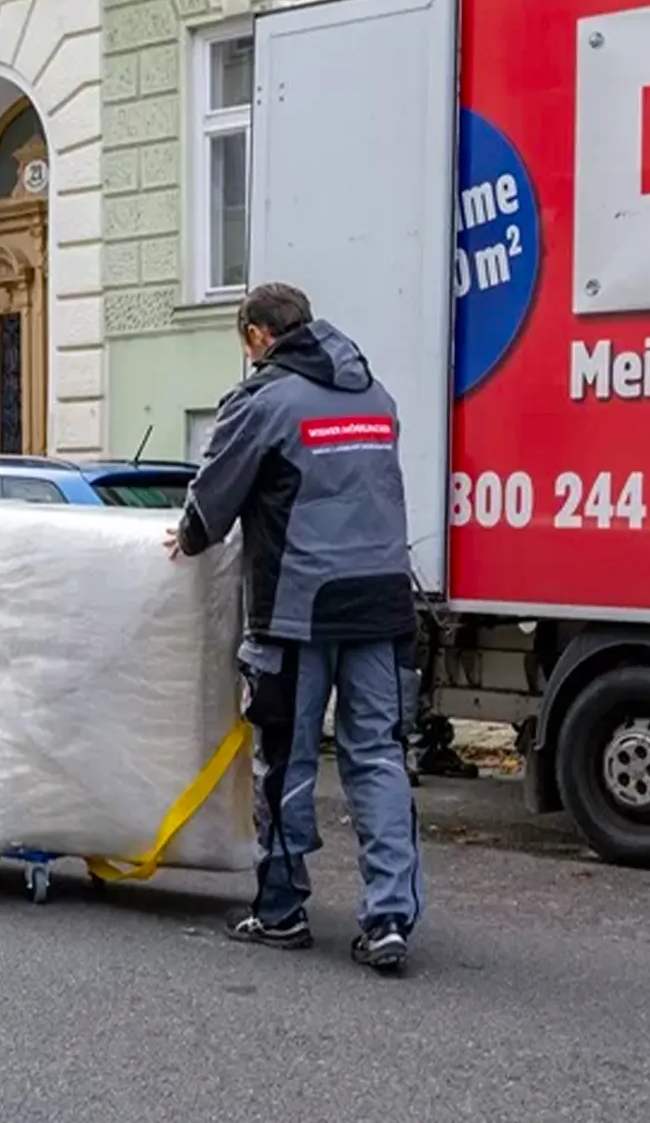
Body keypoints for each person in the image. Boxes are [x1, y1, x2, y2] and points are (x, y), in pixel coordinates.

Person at [166, 282, 424, 974]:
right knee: (378, 758)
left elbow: (214, 496)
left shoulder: (264, 401)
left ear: (256, 335)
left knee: (287, 761)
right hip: (383, 604)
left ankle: (281, 911)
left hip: (297, 609)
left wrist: (188, 538)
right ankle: (390, 917)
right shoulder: (377, 397)